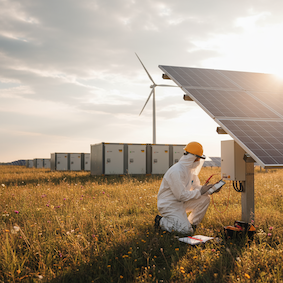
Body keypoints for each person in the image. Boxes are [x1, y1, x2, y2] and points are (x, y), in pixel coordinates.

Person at [155, 142, 220, 235]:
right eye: (197, 158)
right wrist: (200, 191)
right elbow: (180, 195)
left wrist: (211, 190)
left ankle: (192, 224)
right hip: (169, 205)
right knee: (185, 231)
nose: (198, 161)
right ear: (191, 158)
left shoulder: (190, 171)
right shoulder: (176, 171)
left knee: (205, 198)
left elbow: (197, 188)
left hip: (181, 202)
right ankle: (161, 221)